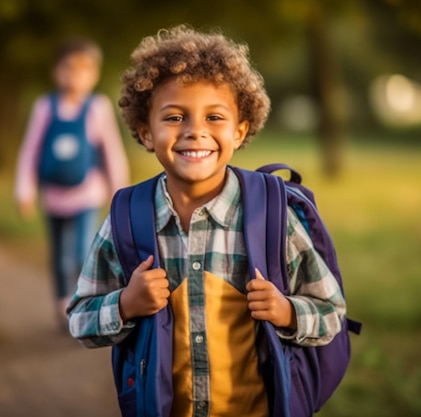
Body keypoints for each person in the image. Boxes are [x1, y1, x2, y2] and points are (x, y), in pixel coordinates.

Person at [67, 25, 346, 416]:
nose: (195, 131)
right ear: (146, 132)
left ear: (240, 130)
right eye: (175, 117)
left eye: (214, 117)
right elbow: (80, 320)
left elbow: (331, 313)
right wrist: (126, 304)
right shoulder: (127, 219)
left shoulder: (271, 216)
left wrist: (286, 311)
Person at [15, 38, 129, 330]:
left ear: (94, 74)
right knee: (57, 256)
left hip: (87, 195)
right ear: (57, 72)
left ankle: (79, 307)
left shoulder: (98, 108)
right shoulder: (45, 107)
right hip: (53, 196)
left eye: (84, 69)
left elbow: (111, 152)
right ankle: (60, 305)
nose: (76, 76)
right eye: (69, 68)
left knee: (80, 254)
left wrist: (120, 194)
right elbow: (31, 150)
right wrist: (24, 189)